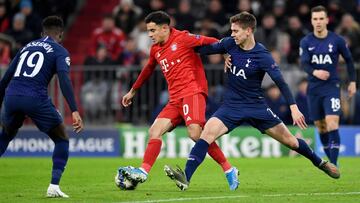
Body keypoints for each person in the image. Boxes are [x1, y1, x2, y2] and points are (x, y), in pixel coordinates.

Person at [164, 12, 340, 191]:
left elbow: (281, 82)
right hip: (231, 106)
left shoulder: (262, 55)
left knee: (292, 142)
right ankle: (186, 177)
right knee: (206, 135)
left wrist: (294, 107)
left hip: (257, 106)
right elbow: (202, 48)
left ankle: (320, 163)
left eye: (235, 31)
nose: (232, 34)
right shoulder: (229, 44)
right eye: (231, 30)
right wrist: (212, 50)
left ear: (248, 31)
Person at [120, 11, 239, 190]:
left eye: (152, 31)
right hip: (175, 98)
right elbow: (147, 70)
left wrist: (225, 54)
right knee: (155, 130)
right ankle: (143, 172)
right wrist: (132, 91)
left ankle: (228, 169)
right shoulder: (155, 50)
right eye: (148, 31)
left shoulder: (184, 38)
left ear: (165, 28)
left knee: (195, 133)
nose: (150, 35)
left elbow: (212, 41)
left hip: (193, 92)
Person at [0, 16, 83, 198]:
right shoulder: (60, 51)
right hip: (35, 98)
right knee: (61, 139)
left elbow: (6, 78)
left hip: (12, 96)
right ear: (60, 34)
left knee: (5, 135)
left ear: (41, 32)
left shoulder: (26, 47)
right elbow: (64, 80)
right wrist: (74, 110)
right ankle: (53, 186)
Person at [299, 6, 357, 166]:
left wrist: (352, 81)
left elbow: (350, 61)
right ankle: (331, 162)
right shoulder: (306, 41)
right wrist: (315, 72)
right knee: (321, 127)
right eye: (315, 19)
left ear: (326, 20)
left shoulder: (337, 40)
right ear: (311, 21)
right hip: (314, 89)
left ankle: (333, 163)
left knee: (332, 122)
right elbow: (303, 64)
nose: (318, 22)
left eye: (321, 19)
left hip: (332, 86)